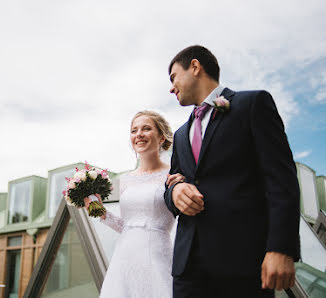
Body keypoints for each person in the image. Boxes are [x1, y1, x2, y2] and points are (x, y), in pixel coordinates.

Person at [164, 45, 300, 298]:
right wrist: (174, 192)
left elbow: (281, 180)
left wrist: (281, 248)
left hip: (242, 264)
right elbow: (173, 181)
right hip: (188, 269)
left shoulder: (252, 104)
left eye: (173, 77)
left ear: (195, 67)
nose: (171, 88)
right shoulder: (180, 135)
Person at [87, 110, 184, 298]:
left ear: (161, 137)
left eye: (146, 129)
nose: (138, 134)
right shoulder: (126, 180)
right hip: (124, 258)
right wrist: (101, 211)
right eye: (134, 130)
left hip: (158, 256)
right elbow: (127, 226)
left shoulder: (174, 174)